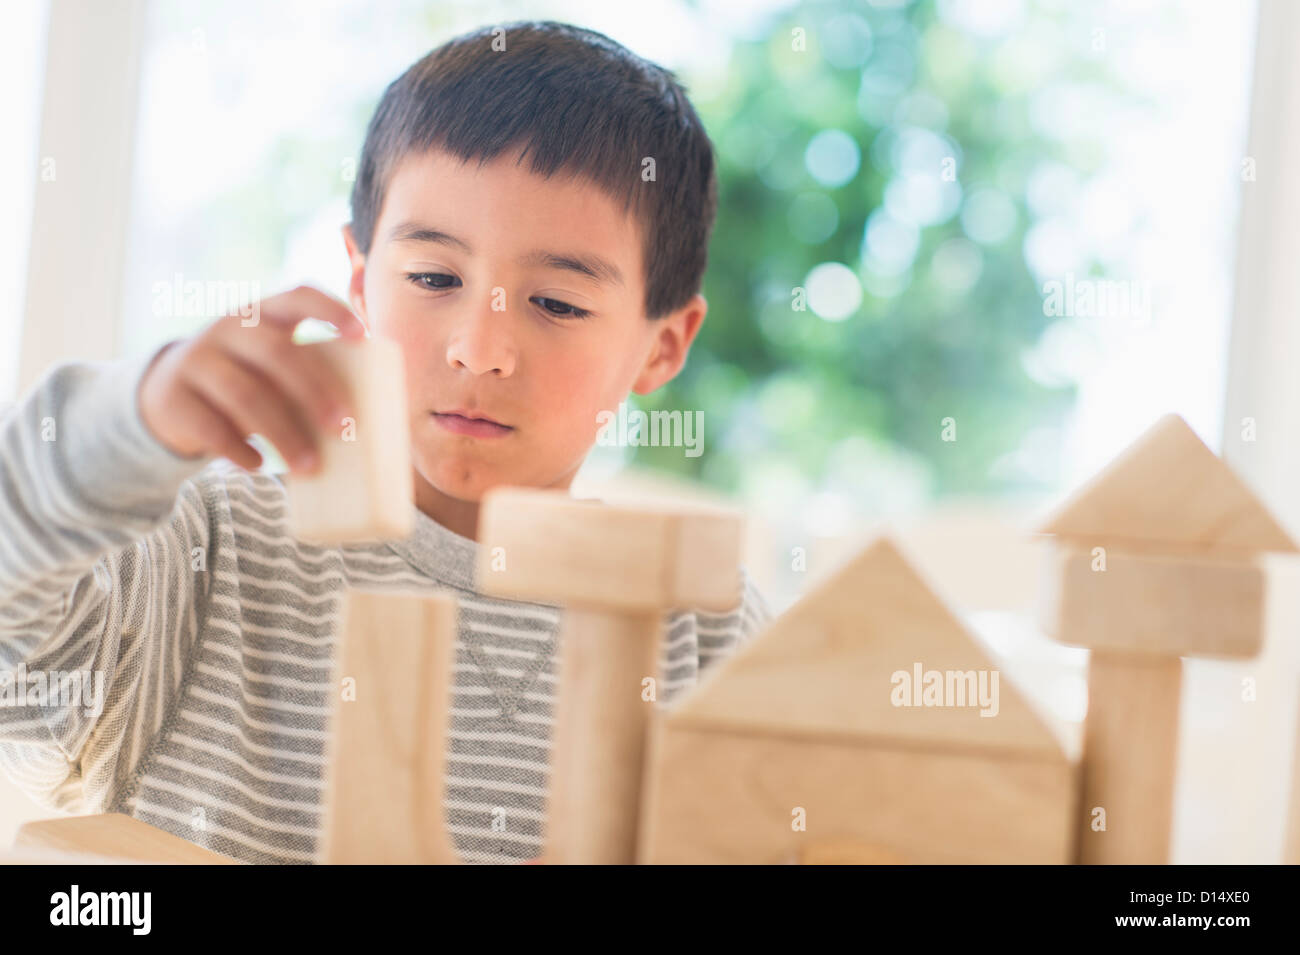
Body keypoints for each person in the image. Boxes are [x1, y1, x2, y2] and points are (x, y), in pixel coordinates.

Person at [0, 20, 772, 864]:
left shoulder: (708, 632)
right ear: (361, 285)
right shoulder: (206, 550)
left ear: (662, 345)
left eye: (557, 302)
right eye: (435, 278)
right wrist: (133, 419)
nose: (479, 348)